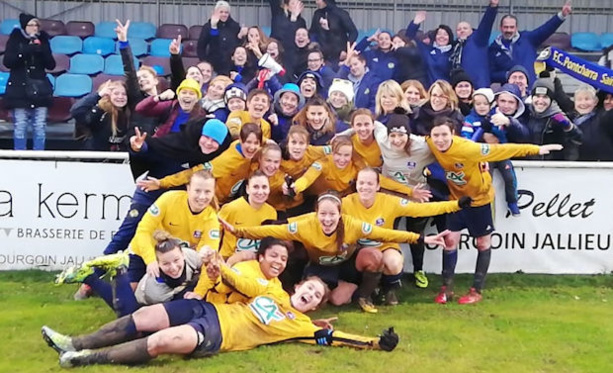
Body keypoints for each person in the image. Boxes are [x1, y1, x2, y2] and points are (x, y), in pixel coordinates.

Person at [42, 270, 399, 368]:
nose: (310, 295)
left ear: (316, 306)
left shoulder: (302, 328)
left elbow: (333, 338)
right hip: (207, 308)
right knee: (146, 315)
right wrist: (221, 269)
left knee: (162, 342)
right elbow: (242, 282)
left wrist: (374, 344)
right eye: (309, 288)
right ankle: (73, 342)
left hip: (216, 334)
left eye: (316, 297)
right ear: (299, 286)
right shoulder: (271, 289)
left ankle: (85, 359)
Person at [220, 191, 449, 310]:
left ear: (340, 214)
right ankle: (331, 289)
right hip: (321, 266)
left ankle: (364, 296)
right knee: (338, 301)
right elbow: (275, 231)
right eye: (323, 214)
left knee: (374, 255)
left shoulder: (352, 224)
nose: (327, 219)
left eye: (332, 214)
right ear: (316, 213)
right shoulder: (305, 224)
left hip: (347, 264)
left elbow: (387, 235)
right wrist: (240, 232)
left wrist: (421, 237)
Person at [426, 116, 563, 304]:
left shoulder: (468, 148)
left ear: (453, 134)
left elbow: (502, 150)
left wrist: (536, 149)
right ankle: (447, 288)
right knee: (449, 241)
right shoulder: (430, 143)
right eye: (436, 135)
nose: (440, 139)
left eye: (444, 135)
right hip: (456, 201)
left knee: (482, 243)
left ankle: (476, 290)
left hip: (481, 200)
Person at [342, 168, 468, 308]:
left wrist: (456, 205)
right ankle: (368, 291)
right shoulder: (346, 203)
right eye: (362, 183)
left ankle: (389, 290)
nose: (365, 187)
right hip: (359, 251)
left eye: (370, 184)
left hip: (385, 246)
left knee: (394, 262)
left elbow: (421, 209)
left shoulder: (389, 201)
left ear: (378, 186)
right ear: (356, 184)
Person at [55, 231, 204, 317]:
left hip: (172, 292)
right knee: (128, 317)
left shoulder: (191, 256)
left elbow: (207, 270)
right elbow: (168, 312)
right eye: (165, 264)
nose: (173, 267)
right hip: (145, 302)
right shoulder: (155, 289)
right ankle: (93, 277)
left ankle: (116, 271)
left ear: (182, 255)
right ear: (157, 264)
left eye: (176, 260)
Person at [129, 170, 220, 285]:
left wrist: (199, 292)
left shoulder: (212, 220)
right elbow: (143, 230)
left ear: (213, 192)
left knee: (164, 300)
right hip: (145, 252)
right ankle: (102, 279)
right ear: (188, 188)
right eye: (197, 191)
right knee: (128, 300)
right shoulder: (169, 199)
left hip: (174, 264)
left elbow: (208, 260)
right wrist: (151, 260)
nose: (202, 196)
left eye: (207, 192)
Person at [138, 123, 263, 204]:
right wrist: (162, 183)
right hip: (211, 203)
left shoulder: (260, 150)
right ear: (241, 140)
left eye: (256, 143)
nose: (252, 147)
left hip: (234, 200)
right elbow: (194, 173)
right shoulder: (225, 160)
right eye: (248, 142)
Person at [286, 136, 431, 200]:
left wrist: (410, 191)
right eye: (338, 155)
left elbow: (380, 180)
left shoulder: (356, 167)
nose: (342, 159)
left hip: (342, 199)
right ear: (332, 152)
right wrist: (296, 188)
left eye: (346, 155)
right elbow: (307, 178)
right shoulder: (323, 162)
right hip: (316, 198)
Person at [461, 88, 525, 216]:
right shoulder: (469, 119)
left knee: (509, 177)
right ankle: (482, 206)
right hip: (483, 156)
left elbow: (502, 137)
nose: (482, 107)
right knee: (485, 181)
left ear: (491, 104)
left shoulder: (496, 117)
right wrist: (481, 134)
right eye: (478, 104)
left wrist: (494, 129)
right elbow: (467, 140)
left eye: (485, 104)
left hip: (499, 152)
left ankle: (512, 202)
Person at [3, 13, 55, 150]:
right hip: (19, 90)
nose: (34, 28)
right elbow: (8, 62)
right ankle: (20, 155)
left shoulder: (43, 40)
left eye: (36, 25)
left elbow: (51, 65)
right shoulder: (15, 40)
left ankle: (39, 155)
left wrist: (42, 50)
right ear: (24, 27)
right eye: (31, 25)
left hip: (40, 90)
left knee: (40, 125)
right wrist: (25, 50)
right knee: (20, 125)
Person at [489, 1, 572, 85]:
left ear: (516, 28)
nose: (509, 30)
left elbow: (546, 29)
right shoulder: (493, 49)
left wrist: (562, 15)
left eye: (512, 27)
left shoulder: (528, 39)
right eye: (506, 27)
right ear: (500, 28)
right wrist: (507, 75)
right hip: (510, 93)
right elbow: (491, 74)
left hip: (530, 89)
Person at [217, 172, 278, 260]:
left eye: (264, 187)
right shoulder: (231, 208)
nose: (260, 192)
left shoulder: (271, 212)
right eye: (255, 187)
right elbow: (214, 232)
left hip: (255, 262)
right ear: (247, 189)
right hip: (229, 259)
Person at [526, 76, 582, 160]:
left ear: (551, 100)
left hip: (551, 166)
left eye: (545, 97)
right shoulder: (526, 113)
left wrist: (569, 127)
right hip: (526, 165)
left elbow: (577, 139)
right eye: (537, 96)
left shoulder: (557, 116)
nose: (540, 101)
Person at [70, 80, 131, 151]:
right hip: (95, 156)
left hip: (118, 157)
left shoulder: (128, 112)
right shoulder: (100, 110)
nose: (120, 97)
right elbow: (76, 111)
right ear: (107, 95)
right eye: (116, 93)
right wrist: (98, 95)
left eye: (124, 94)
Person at [450, 0, 498, 88]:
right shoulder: (455, 47)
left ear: (471, 31)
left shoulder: (478, 40)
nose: (462, 30)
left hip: (478, 87)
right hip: (461, 88)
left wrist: (492, 7)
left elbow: (486, 24)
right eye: (459, 29)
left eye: (465, 28)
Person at [135, 78, 206, 138]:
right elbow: (140, 109)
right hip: (163, 146)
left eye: (191, 93)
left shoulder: (201, 116)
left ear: (197, 99)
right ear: (178, 96)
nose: (187, 96)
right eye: (184, 93)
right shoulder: (170, 106)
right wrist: (158, 98)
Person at [406, 11, 453, 84]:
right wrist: (415, 23)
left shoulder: (453, 52)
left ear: (450, 37)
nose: (442, 37)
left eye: (445, 34)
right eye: (439, 34)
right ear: (435, 37)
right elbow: (409, 36)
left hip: (446, 91)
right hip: (429, 91)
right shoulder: (427, 50)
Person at [197, 1, 244, 72]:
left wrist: (241, 36)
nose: (224, 14)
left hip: (231, 67)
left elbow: (239, 46)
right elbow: (201, 47)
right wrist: (205, 62)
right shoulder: (208, 27)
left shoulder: (235, 26)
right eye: (221, 12)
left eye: (226, 12)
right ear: (215, 12)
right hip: (213, 65)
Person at [570, 85, 613, 161]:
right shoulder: (567, 118)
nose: (583, 103)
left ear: (595, 102)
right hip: (570, 167)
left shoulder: (603, 118)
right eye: (579, 99)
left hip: (599, 167)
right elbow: (560, 98)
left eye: (587, 99)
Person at [336, 43, 380, 112]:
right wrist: (346, 63)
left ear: (363, 63)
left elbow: (375, 105)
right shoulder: (345, 79)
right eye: (350, 66)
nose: (353, 68)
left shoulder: (374, 81)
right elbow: (335, 84)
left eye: (355, 64)